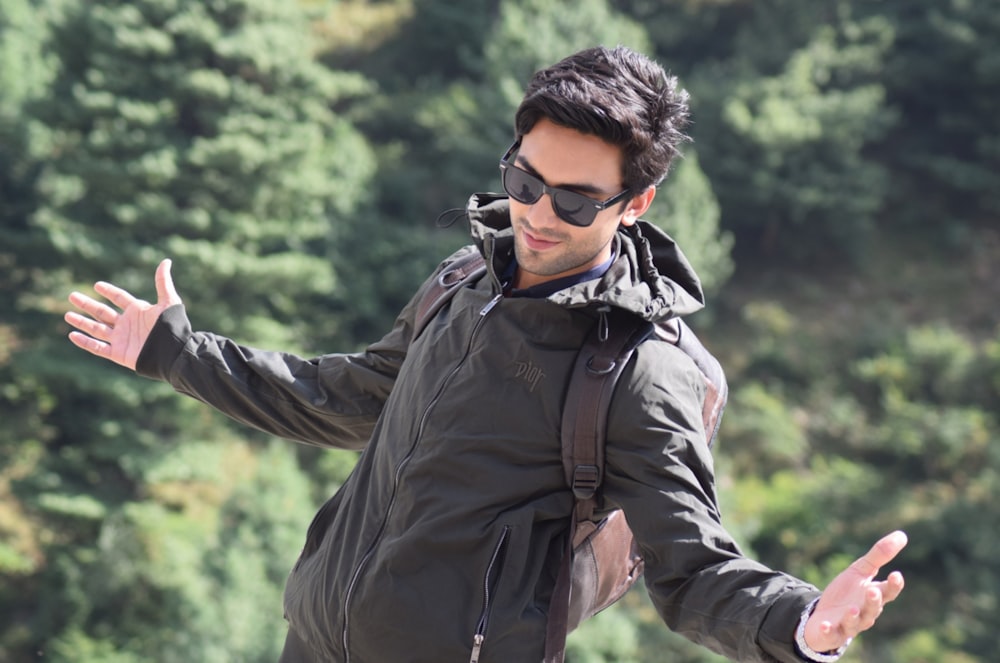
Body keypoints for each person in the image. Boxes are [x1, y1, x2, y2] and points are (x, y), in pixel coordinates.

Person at [65, 45, 906, 663]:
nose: (538, 214)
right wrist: (177, 352)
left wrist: (802, 623)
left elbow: (691, 568)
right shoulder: (464, 281)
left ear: (636, 201)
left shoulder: (645, 374)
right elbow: (350, 397)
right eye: (526, 181)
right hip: (315, 639)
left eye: (576, 201)